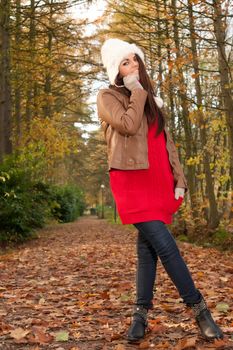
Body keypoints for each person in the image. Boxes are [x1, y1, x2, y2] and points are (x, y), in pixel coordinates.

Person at [96, 38, 223, 343]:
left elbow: (165, 143)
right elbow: (127, 124)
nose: (133, 66)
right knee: (166, 246)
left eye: (135, 59)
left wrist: (179, 178)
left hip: (158, 181)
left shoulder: (151, 100)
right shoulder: (108, 97)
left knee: (147, 249)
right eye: (125, 62)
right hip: (131, 182)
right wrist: (137, 91)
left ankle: (140, 315)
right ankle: (200, 311)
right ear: (116, 69)